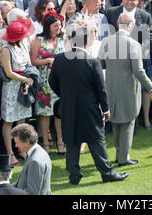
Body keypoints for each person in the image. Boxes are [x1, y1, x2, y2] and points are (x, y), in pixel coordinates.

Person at [49, 15, 129, 184]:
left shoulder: (59, 59)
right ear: (85, 41)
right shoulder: (92, 62)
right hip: (89, 108)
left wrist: (65, 95)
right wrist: (106, 109)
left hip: (68, 106)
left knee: (71, 141)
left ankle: (74, 176)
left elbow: (52, 82)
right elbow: (101, 89)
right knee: (96, 140)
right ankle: (107, 173)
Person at [99, 13, 152, 166]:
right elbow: (138, 71)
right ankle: (123, 158)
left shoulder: (106, 41)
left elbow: (101, 64)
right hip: (128, 87)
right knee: (128, 122)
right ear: (132, 26)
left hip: (111, 86)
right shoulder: (134, 45)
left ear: (118, 24)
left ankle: (120, 154)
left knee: (116, 122)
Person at [30, 11, 66, 155]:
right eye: (55, 25)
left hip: (61, 81)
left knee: (59, 113)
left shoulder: (63, 39)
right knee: (45, 113)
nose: (58, 28)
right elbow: (32, 60)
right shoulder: (39, 39)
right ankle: (45, 142)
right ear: (48, 26)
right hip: (45, 80)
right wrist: (47, 61)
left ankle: (60, 141)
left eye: (59, 25)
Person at [0, 18, 35, 166]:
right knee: (9, 121)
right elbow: (8, 72)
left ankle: (21, 149)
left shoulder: (22, 47)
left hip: (23, 87)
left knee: (21, 120)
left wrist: (29, 79)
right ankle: (10, 153)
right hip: (11, 88)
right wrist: (25, 80)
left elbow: (29, 65)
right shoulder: (5, 50)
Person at [11, 123, 52, 195]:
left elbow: (32, 192)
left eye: (17, 143)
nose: (16, 146)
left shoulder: (35, 161)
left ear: (27, 142)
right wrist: (4, 189)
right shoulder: (39, 152)